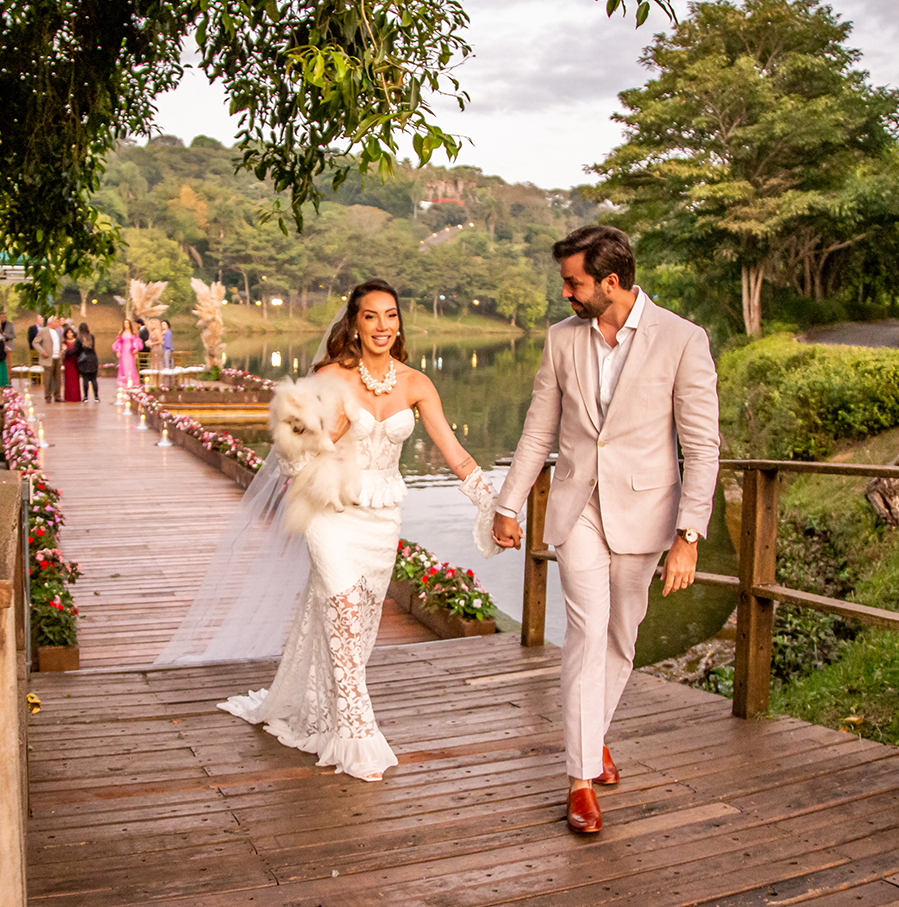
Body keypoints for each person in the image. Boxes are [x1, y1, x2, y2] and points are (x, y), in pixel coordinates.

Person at [216, 280, 494, 782]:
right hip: (333, 511)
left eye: (391, 316)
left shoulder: (416, 383)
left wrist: (493, 506)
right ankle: (356, 734)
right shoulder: (330, 375)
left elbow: (454, 452)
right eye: (371, 317)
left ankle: (318, 706)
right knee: (342, 607)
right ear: (354, 322)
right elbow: (289, 454)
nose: (383, 326)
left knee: (360, 621)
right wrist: (332, 434)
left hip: (382, 515)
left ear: (399, 324)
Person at [491, 225, 719, 835]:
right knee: (587, 632)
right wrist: (508, 504)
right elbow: (539, 431)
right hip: (577, 510)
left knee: (622, 637)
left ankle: (593, 739)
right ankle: (580, 780)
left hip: (646, 515)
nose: (565, 294)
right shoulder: (560, 341)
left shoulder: (683, 340)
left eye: (574, 283)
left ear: (610, 282)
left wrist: (688, 536)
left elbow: (701, 448)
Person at [33, 315, 63, 402]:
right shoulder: (43, 331)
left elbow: (61, 342)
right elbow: (35, 343)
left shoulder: (58, 331)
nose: (57, 323)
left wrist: (62, 349)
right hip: (48, 358)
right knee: (47, 378)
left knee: (58, 378)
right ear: (51, 323)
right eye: (56, 321)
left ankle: (57, 396)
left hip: (57, 357)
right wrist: (42, 352)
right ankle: (48, 396)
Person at [113, 320, 143, 389]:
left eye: (127, 323)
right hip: (124, 351)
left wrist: (135, 349)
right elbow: (119, 342)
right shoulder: (121, 333)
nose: (126, 324)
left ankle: (132, 381)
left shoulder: (133, 333)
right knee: (123, 365)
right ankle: (124, 381)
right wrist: (118, 351)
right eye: (124, 323)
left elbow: (136, 341)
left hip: (130, 351)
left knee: (131, 365)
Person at [77, 323, 100, 402]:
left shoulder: (79, 339)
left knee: (85, 379)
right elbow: (93, 348)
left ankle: (86, 397)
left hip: (84, 360)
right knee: (94, 379)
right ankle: (96, 397)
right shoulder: (92, 337)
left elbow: (78, 350)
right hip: (93, 359)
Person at [61, 326, 82, 403]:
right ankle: (68, 397)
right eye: (68, 332)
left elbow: (77, 351)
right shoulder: (64, 342)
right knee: (68, 380)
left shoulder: (77, 341)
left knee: (75, 380)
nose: (69, 334)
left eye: (71, 332)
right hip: (67, 362)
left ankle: (76, 397)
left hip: (75, 362)